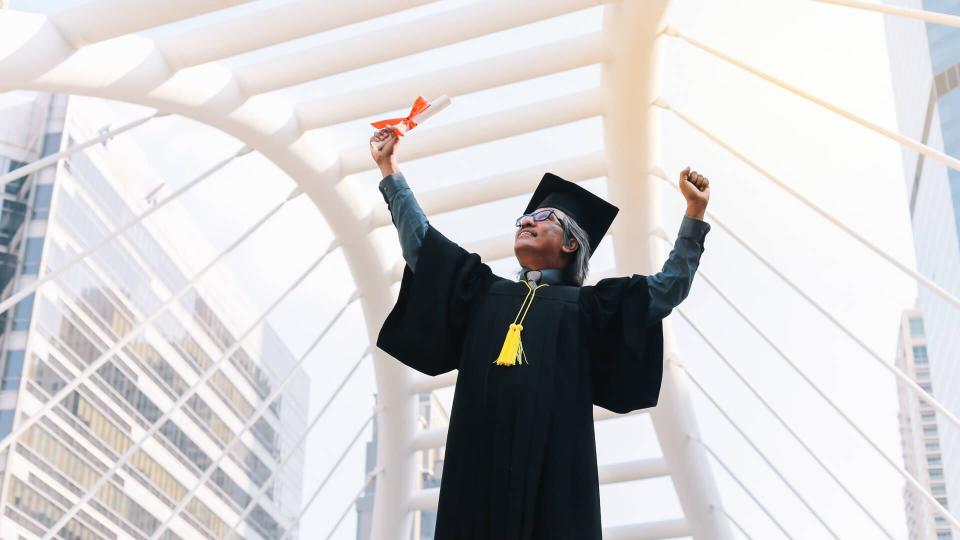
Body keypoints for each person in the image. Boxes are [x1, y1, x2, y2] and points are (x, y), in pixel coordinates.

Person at [370, 127, 711, 540]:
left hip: (555, 466)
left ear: (571, 244)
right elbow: (423, 246)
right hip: (478, 464)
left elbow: (666, 288)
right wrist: (389, 170)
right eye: (524, 218)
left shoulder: (592, 307)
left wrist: (694, 215)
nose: (527, 220)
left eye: (544, 218)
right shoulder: (481, 291)